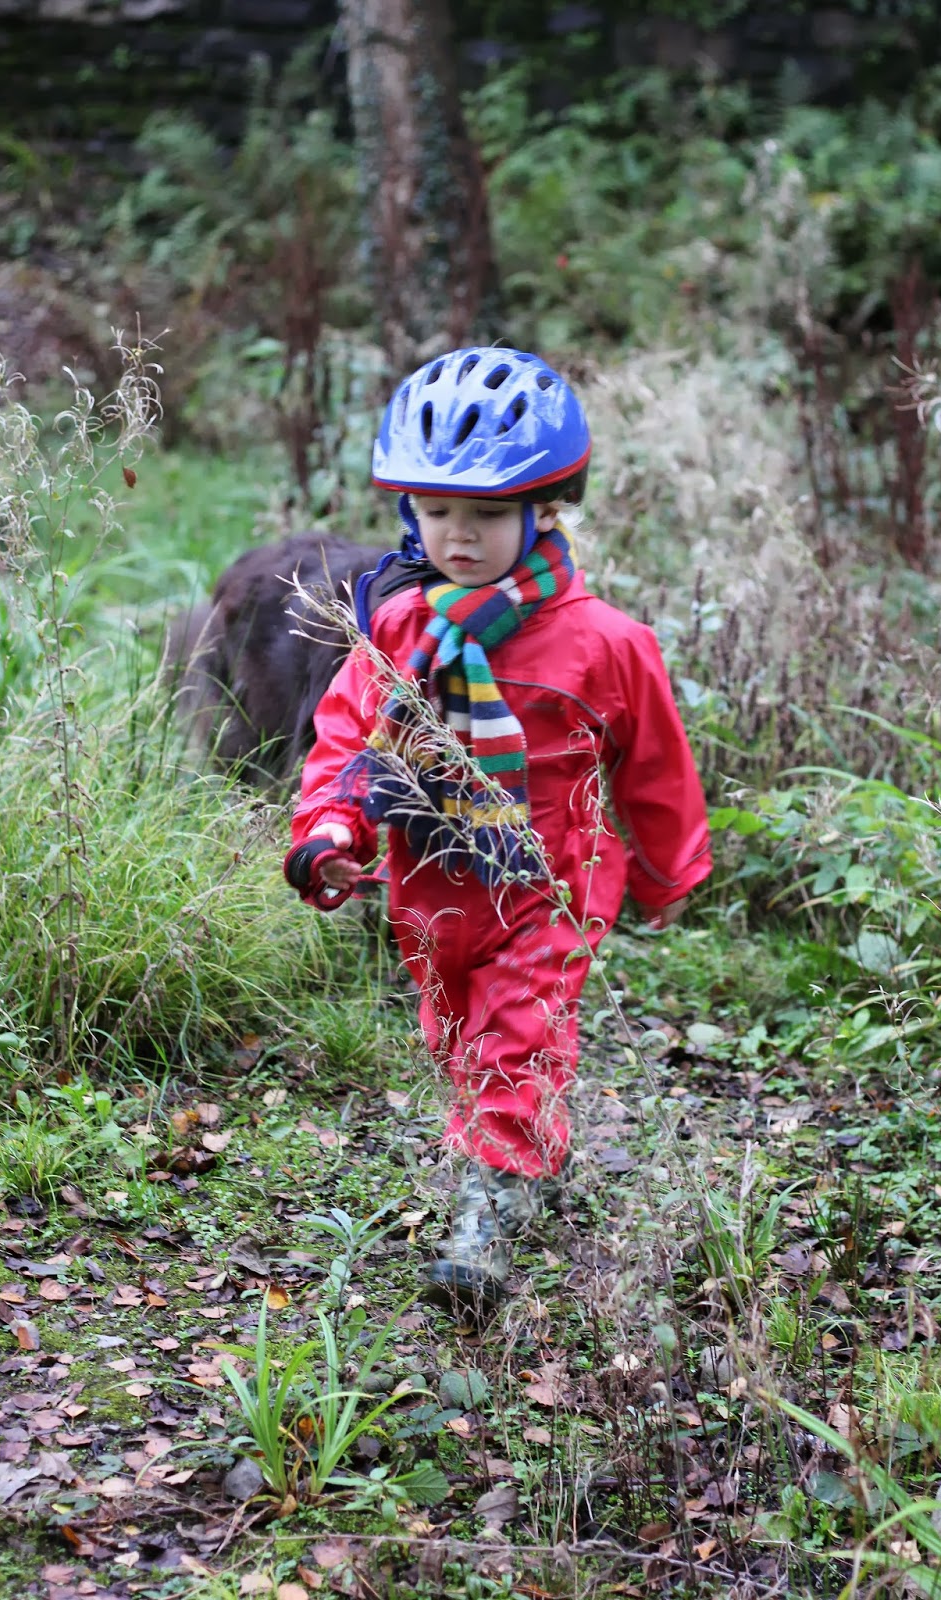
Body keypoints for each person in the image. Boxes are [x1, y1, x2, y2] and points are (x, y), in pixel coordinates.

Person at [284, 346, 712, 1308]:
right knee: (459, 1039)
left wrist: (669, 870)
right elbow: (350, 738)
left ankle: (485, 1225)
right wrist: (330, 832)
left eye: (484, 515)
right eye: (437, 514)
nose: (458, 536)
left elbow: (656, 766)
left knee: (519, 1038)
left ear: (546, 508)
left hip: (550, 883)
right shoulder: (399, 628)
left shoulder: (606, 642)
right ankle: (526, 1153)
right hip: (430, 880)